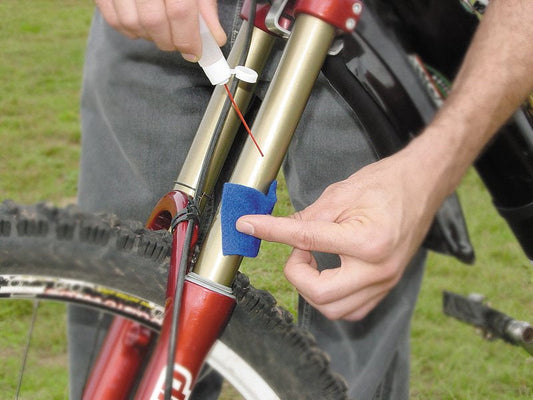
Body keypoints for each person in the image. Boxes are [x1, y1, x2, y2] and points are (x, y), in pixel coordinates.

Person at [70, 0, 533, 399]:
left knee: (345, 348)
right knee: (123, 304)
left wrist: (427, 170)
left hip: (364, 37)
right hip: (160, 22)